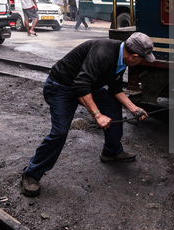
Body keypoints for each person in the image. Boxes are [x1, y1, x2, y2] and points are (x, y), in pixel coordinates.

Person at [20, 32, 156, 197]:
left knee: (113, 106)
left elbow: (115, 89)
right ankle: (31, 173)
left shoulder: (122, 57)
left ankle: (111, 151)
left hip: (87, 87)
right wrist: (97, 115)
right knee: (60, 132)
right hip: (60, 87)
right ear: (134, 56)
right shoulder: (103, 54)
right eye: (142, 58)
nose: (142, 62)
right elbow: (80, 86)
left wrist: (133, 108)